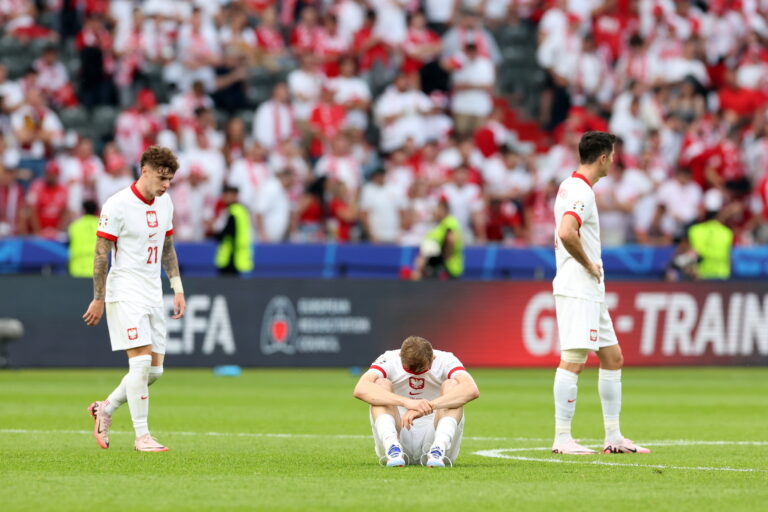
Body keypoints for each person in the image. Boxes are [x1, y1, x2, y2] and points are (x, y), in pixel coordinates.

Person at [551, 131, 650, 455]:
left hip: (590, 288)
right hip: (579, 285)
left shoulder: (571, 185)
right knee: (574, 360)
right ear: (604, 157)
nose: (615, 162)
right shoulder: (581, 191)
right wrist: (589, 263)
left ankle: (613, 436)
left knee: (612, 357)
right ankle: (562, 437)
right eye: (614, 156)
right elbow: (567, 231)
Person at [83, 146, 186, 453]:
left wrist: (177, 287)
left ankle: (106, 408)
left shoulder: (165, 202)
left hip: (153, 291)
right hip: (125, 290)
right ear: (145, 170)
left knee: (154, 371)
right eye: (161, 177)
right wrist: (98, 298)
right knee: (139, 363)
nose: (165, 184)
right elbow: (101, 255)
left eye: (170, 179)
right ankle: (142, 436)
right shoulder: (117, 205)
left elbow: (168, 248)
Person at [353, 335, 479, 467]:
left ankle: (438, 449)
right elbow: (360, 388)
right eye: (410, 370)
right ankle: (392, 448)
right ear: (400, 358)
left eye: (422, 370)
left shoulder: (446, 359)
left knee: (453, 386)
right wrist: (406, 402)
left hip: (435, 431)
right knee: (380, 384)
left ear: (433, 358)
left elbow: (471, 389)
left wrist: (428, 406)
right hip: (400, 430)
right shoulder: (389, 358)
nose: (416, 374)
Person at [411, 199, 463, 280]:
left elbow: (451, 240)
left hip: (448, 268)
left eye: (439, 209)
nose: (437, 211)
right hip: (436, 266)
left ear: (445, 210)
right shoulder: (439, 224)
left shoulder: (449, 222)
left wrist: (446, 257)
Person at [214, 185, 254, 275]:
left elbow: (227, 233)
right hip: (239, 257)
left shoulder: (233, 212)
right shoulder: (241, 210)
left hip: (232, 258)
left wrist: (215, 234)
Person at [68, 200, 100, 278]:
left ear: (83, 211)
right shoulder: (102, 225)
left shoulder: (74, 226)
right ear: (97, 211)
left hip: (77, 267)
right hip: (97, 267)